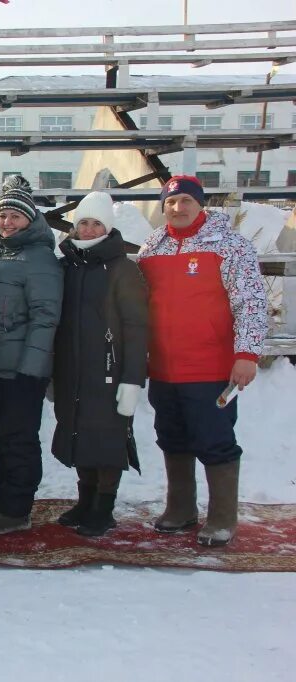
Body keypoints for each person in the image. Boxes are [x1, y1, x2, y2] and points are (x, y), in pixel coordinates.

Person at [137, 175, 268, 547]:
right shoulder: (153, 247)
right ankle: (181, 509)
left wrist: (247, 354)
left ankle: (223, 518)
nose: (178, 209)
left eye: (185, 202)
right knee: (172, 438)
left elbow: (252, 303)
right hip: (163, 367)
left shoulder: (230, 246)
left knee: (214, 440)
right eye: (171, 203)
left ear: (200, 204)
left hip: (210, 367)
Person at [51, 192, 149, 537]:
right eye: (83, 223)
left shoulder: (123, 269)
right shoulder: (66, 265)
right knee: (79, 432)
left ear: (107, 227)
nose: (89, 229)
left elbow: (137, 326)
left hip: (110, 370)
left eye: (96, 224)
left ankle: (104, 507)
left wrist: (133, 379)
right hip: (72, 369)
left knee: (107, 438)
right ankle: (85, 499)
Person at [0, 175, 63, 535]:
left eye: (15, 217)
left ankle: (17, 508)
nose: (7, 223)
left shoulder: (39, 258)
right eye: (2, 216)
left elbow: (46, 316)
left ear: (30, 220)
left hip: (21, 369)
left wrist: (31, 370)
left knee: (19, 438)